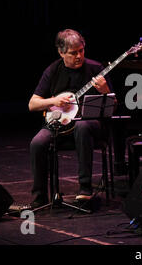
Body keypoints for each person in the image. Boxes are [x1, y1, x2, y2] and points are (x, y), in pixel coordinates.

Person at [28, 29, 112, 208]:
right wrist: (54, 100)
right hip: (59, 125)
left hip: (89, 125)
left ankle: (85, 190)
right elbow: (32, 104)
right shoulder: (53, 70)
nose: (79, 56)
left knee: (82, 126)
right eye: (73, 53)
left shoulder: (95, 69)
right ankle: (40, 196)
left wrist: (104, 90)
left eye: (81, 51)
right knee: (37, 143)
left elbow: (113, 104)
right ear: (61, 52)